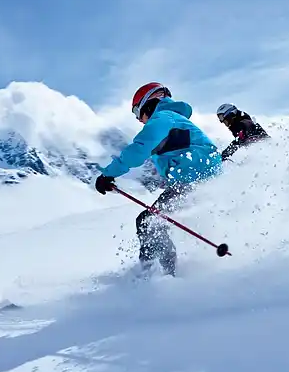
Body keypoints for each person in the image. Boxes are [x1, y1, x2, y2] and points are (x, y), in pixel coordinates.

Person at [94, 82, 222, 276]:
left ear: (148, 104)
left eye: (137, 112)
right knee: (153, 221)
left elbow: (139, 149)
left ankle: (157, 277)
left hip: (193, 180)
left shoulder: (163, 118)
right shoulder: (173, 119)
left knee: (148, 222)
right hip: (200, 180)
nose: (139, 120)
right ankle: (162, 273)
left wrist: (108, 174)